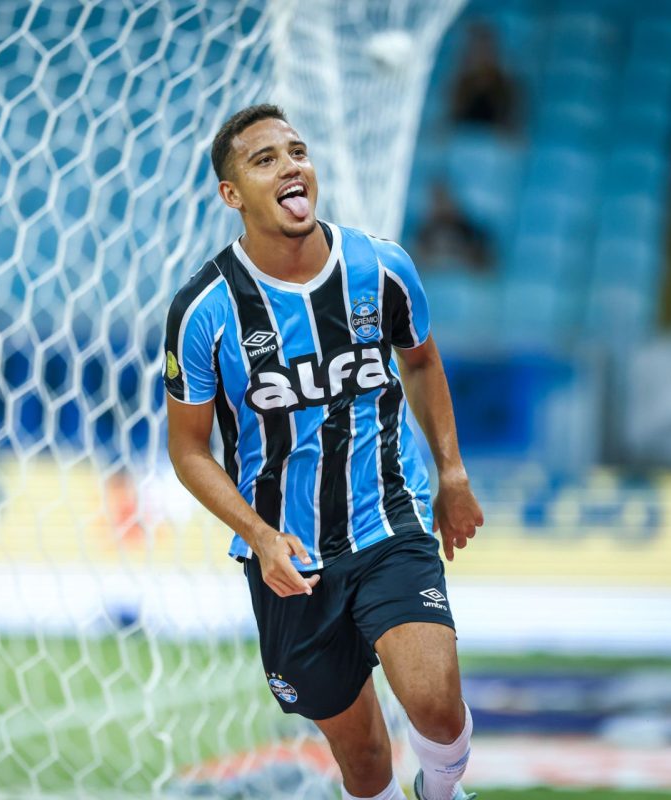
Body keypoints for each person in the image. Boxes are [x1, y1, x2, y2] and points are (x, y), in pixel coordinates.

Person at [163, 104, 483, 800]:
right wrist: (259, 536)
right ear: (231, 195)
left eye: (297, 150)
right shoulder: (205, 308)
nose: (291, 165)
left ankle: (446, 789)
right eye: (265, 158)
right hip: (288, 561)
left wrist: (451, 474)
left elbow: (421, 363)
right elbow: (188, 452)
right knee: (365, 764)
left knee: (434, 701)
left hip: (385, 522)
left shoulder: (381, 265)